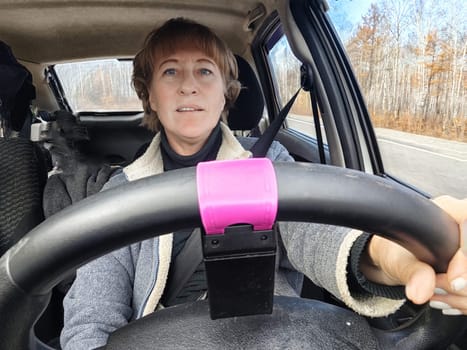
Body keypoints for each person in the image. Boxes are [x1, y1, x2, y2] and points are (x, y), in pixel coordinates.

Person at [60, 18, 467, 349]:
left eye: (205, 70)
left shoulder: (267, 161)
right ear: (149, 96)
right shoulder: (122, 190)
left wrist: (380, 252)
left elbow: (311, 230)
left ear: (226, 92)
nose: (189, 85)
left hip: (271, 335)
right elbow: (90, 319)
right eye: (170, 72)